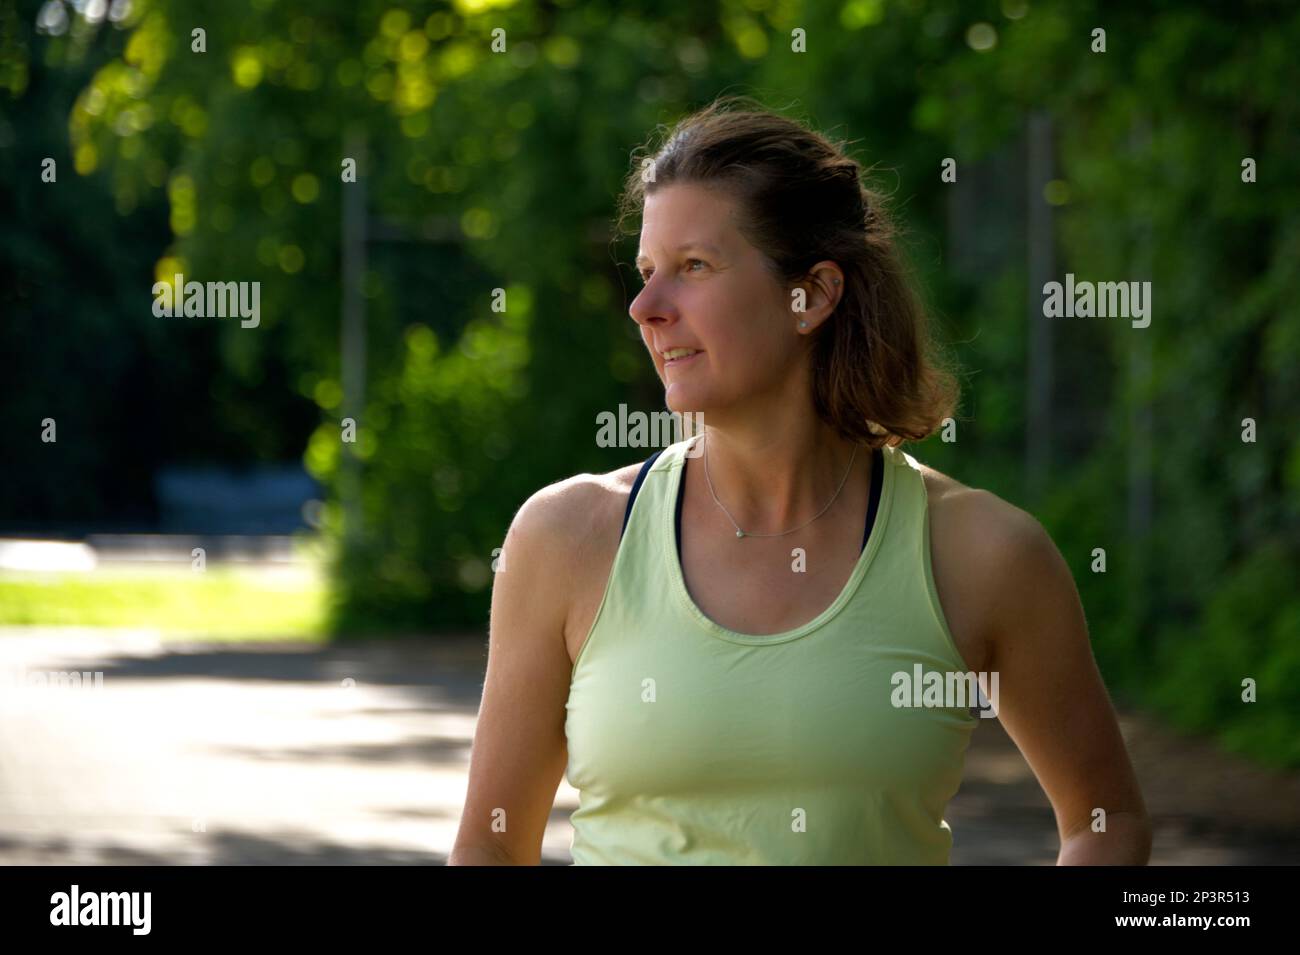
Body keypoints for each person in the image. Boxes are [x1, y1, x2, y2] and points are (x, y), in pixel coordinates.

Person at [449, 96, 1151, 865]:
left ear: (811, 294)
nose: (646, 307)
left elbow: (1105, 822)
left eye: (693, 268)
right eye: (647, 272)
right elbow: (489, 849)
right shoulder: (567, 536)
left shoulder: (983, 552)